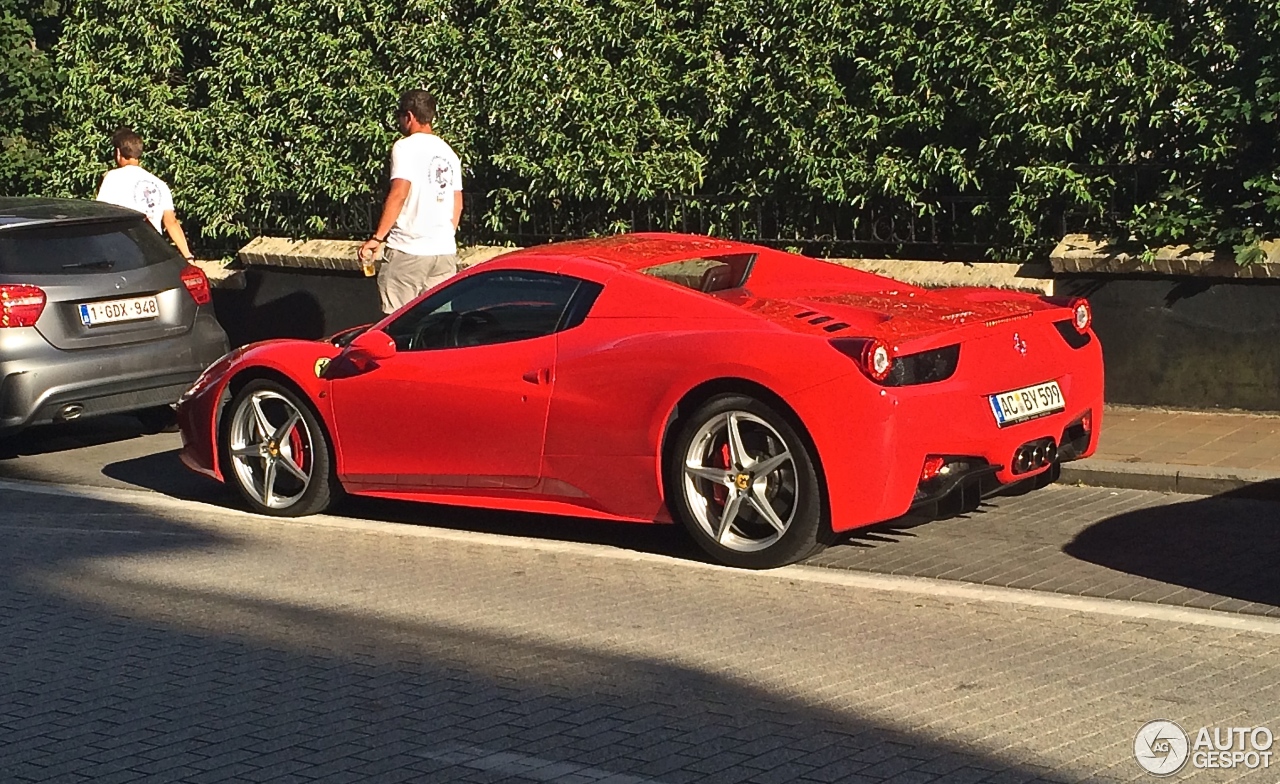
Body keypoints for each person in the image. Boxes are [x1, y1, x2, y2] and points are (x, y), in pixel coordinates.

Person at [359, 89, 463, 314]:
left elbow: (399, 193)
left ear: (409, 116)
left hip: (409, 249)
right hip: (444, 252)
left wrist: (378, 238)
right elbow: (458, 203)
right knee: (437, 322)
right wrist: (443, 235)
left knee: (397, 321)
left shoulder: (404, 147)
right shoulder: (449, 153)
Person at [96, 127, 195, 262]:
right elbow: (171, 222)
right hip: (154, 251)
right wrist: (188, 256)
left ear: (118, 153)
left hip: (123, 251)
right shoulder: (159, 183)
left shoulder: (112, 178)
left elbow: (101, 213)